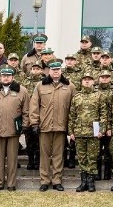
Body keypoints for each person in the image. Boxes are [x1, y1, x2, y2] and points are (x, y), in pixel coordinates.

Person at [0, 66, 30, 192]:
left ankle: (11, 183)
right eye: (4, 75)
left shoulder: (22, 91)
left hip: (14, 131)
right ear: (0, 77)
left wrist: (25, 126)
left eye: (8, 75)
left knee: (13, 158)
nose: (6, 77)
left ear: (13, 77)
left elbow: (26, 111)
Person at [29, 60, 75, 191]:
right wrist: (34, 123)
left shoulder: (70, 86)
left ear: (61, 71)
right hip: (44, 126)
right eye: (53, 69)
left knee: (58, 155)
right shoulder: (40, 86)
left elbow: (74, 107)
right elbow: (34, 106)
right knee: (44, 155)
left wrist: (71, 128)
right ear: (49, 71)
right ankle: (44, 180)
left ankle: (56, 180)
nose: (55, 72)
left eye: (58, 69)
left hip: (61, 127)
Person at [69, 72, 107, 193]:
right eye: (85, 79)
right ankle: (83, 181)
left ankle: (91, 182)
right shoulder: (76, 97)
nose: (87, 81)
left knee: (93, 157)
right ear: (81, 82)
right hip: (79, 132)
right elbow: (72, 116)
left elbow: (103, 114)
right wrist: (71, 132)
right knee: (82, 158)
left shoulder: (99, 96)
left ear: (93, 81)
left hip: (93, 133)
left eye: (89, 79)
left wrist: (102, 130)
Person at [19, 62, 43, 171]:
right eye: (33, 68)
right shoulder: (25, 82)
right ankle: (30, 160)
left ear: (41, 70)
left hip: (40, 114)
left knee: (38, 139)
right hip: (27, 114)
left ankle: (38, 160)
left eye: (38, 69)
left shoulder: (44, 82)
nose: (35, 70)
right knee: (28, 139)